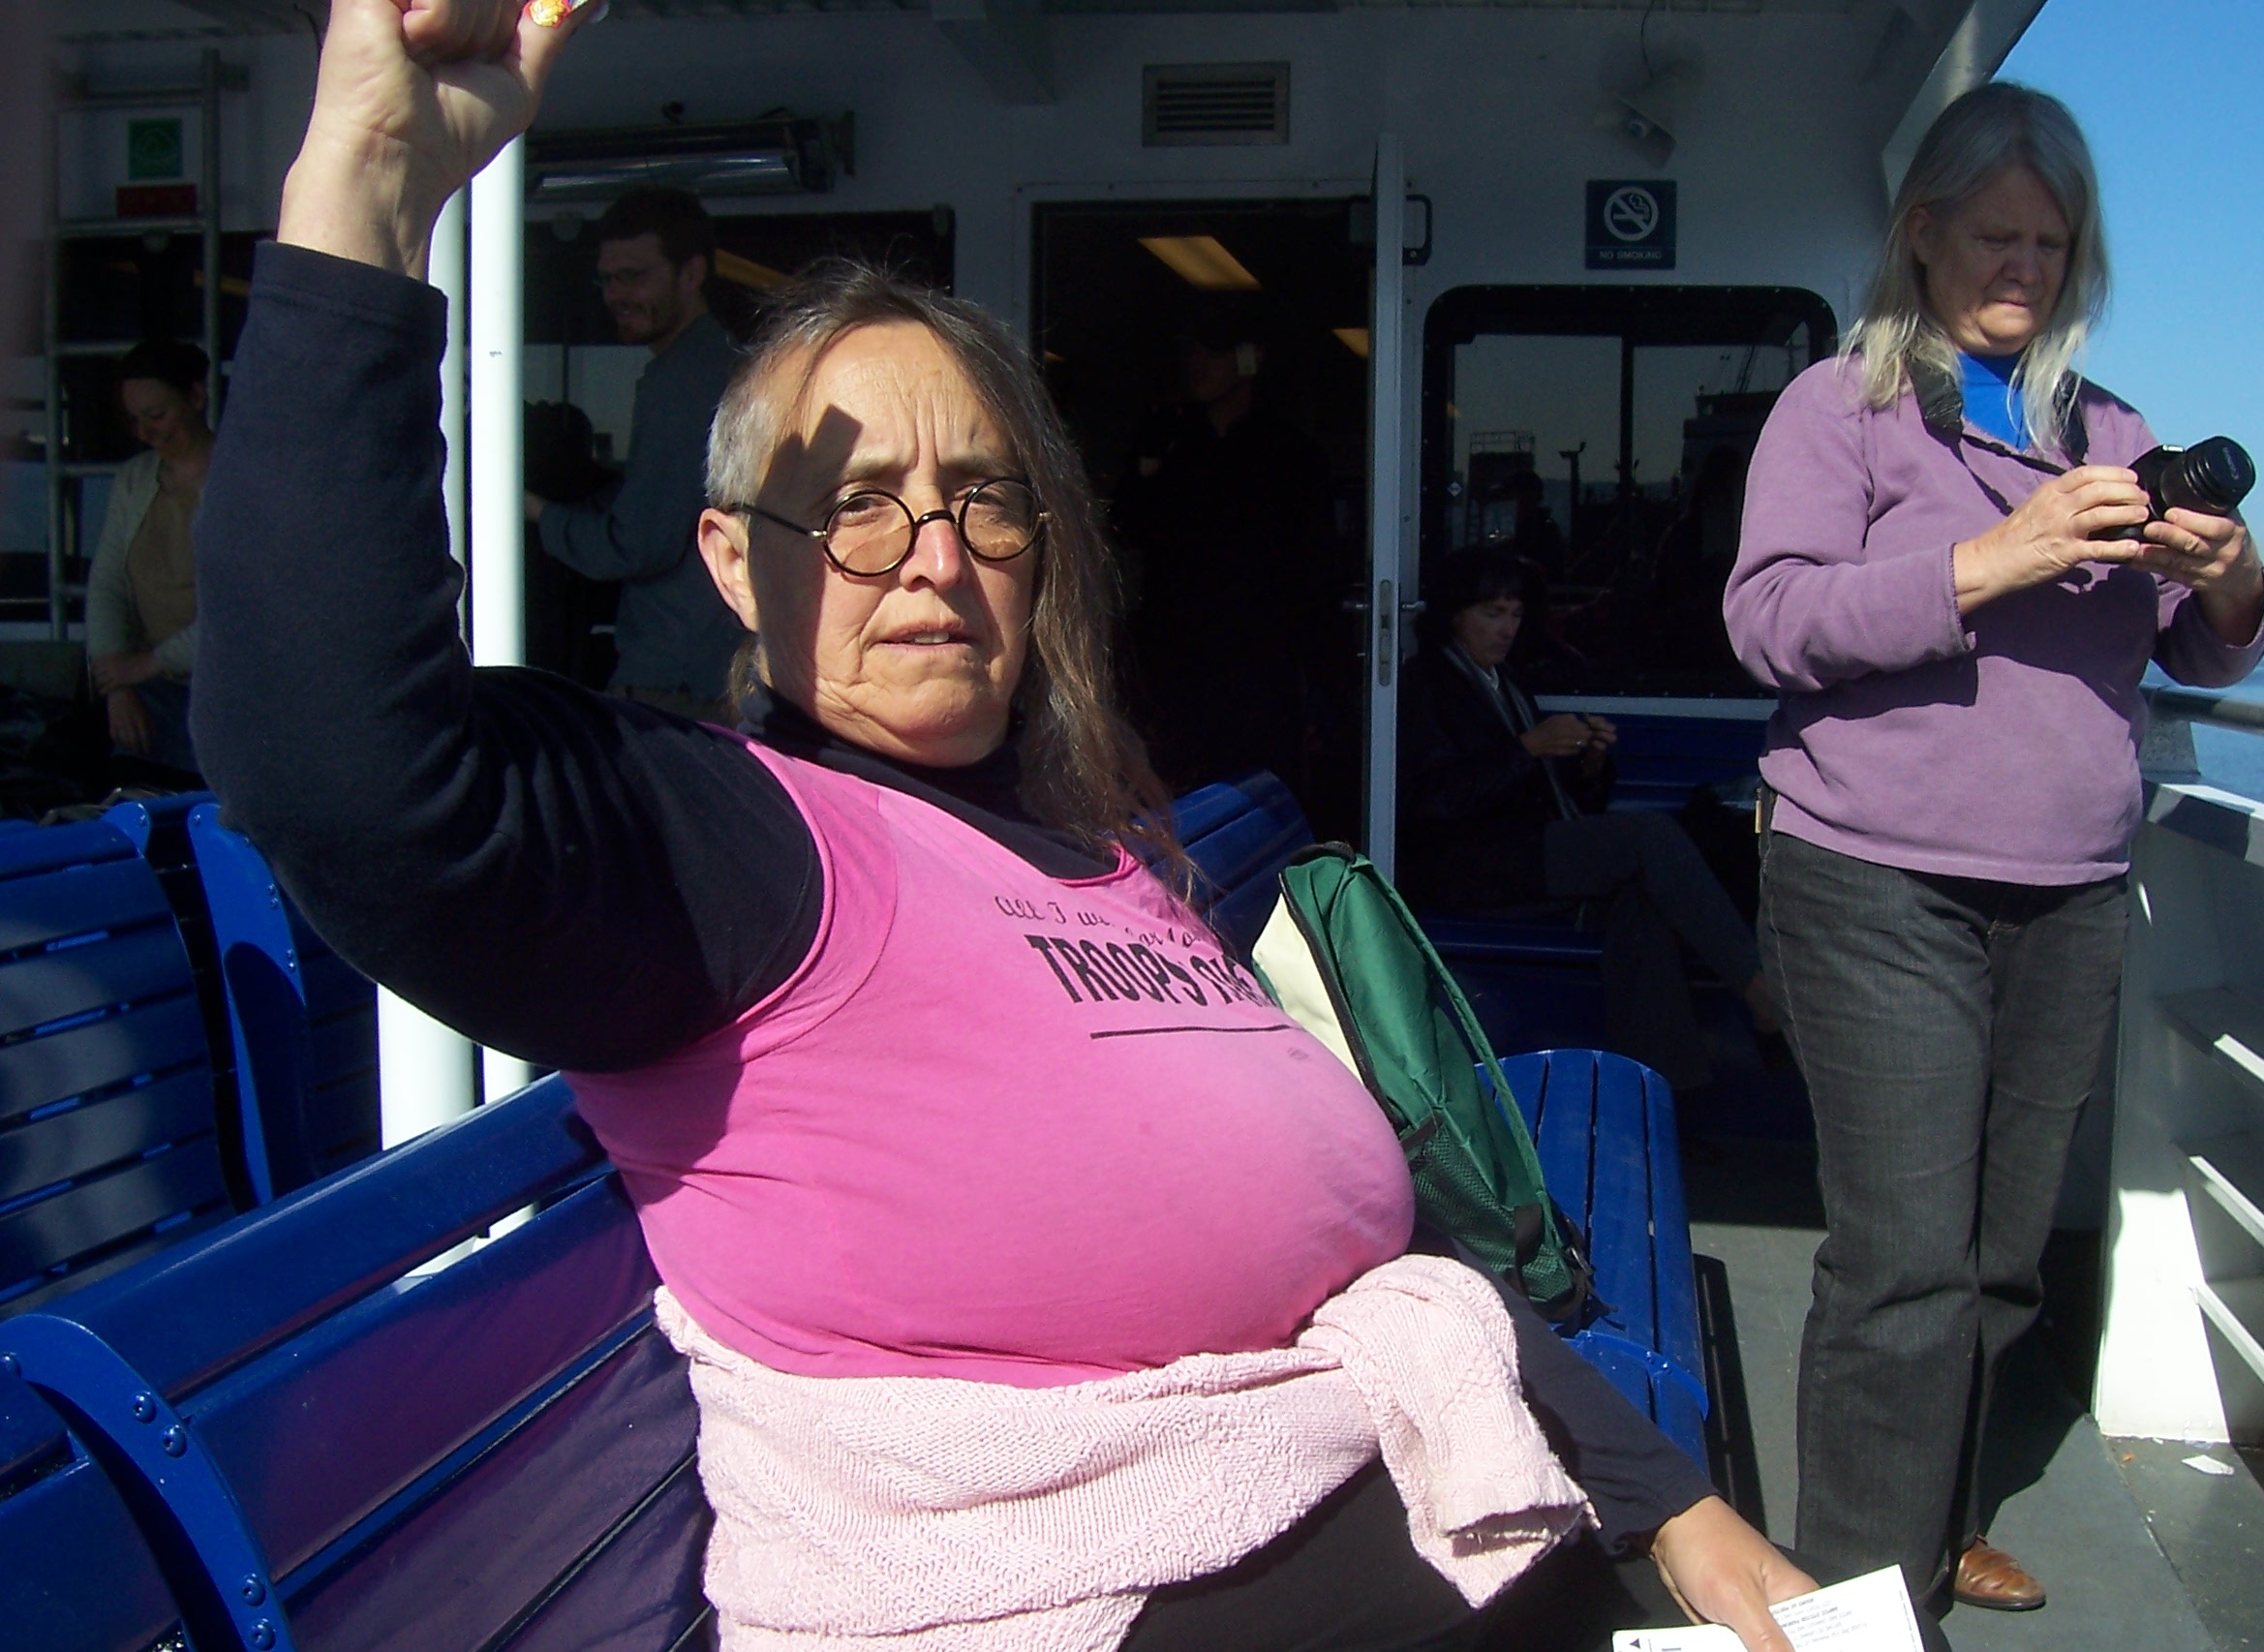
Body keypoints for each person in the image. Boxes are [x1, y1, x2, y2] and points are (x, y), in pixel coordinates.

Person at [193, 5, 1812, 1649]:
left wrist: (1679, 1507)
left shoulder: (1096, 849)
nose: (937, 556)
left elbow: (1384, 1268)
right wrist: (367, 189)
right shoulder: (733, 836)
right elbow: (339, 771)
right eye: (860, 504)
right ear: (736, 562)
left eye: (984, 498)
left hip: (1422, 1502)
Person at [1722, 82, 2264, 1642]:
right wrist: (1991, 559)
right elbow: (1769, 618)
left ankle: (1940, 1516)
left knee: (2004, 1257)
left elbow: (2203, 649)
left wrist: (2233, 578)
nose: (2024, 266)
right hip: (1875, 874)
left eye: (2051, 242)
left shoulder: (2113, 434)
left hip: (2070, 885)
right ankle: (1859, 1599)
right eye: (1995, 236)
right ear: (1924, 234)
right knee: (1905, 1260)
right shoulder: (1838, 408)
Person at [1399, 551, 1776, 1096]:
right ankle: (1758, 989)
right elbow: (1433, 800)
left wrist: (1589, 764)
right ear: (1453, 615)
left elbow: (1555, 798)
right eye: (1491, 613)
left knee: (1641, 906)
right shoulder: (1427, 685)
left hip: (1523, 854)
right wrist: (1528, 748)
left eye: (1515, 615)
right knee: (1648, 836)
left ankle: (1661, 1094)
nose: (1506, 629)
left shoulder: (1502, 681)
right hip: (1471, 867)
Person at [524, 183, 746, 719]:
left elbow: (634, 546)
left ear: (690, 274)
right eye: (607, 279)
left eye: (635, 276)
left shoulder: (684, 383)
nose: (615, 294)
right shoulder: (711, 366)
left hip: (680, 684)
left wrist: (530, 508)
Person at [1118, 304, 1338, 799]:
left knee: (1258, 795)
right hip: (1175, 663)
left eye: (1213, 352)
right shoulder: (1171, 441)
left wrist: (1320, 679)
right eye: (1190, 352)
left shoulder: (1288, 452)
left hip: (1258, 666)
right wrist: (1148, 465)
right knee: (1180, 798)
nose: (1197, 364)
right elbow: (1128, 531)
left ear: (1250, 358)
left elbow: (1315, 570)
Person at [87, 337, 215, 775]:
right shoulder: (134, 479)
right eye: (135, 420)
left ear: (196, 397)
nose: (146, 433)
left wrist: (144, 666)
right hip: (154, 690)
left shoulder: (241, 482)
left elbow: (242, 609)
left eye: (157, 415)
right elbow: (108, 584)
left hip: (231, 690)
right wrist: (117, 686)